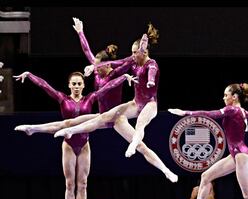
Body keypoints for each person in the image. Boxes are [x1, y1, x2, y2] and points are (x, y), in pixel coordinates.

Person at [53, 24, 178, 183]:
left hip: (125, 116)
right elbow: (88, 54)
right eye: (132, 53)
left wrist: (150, 81)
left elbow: (150, 70)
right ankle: (64, 131)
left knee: (141, 145)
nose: (97, 69)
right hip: (112, 113)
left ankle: (166, 170)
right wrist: (80, 32)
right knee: (80, 121)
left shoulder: (116, 72)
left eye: (135, 52)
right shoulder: (102, 71)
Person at [14, 71, 132, 199]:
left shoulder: (90, 98)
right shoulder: (63, 98)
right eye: (74, 84)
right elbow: (45, 86)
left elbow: (107, 87)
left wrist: (123, 77)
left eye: (79, 83)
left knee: (83, 183)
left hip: (84, 144)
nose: (76, 86)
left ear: (83, 85)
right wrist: (29, 75)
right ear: (69, 85)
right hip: (69, 145)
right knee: (70, 184)